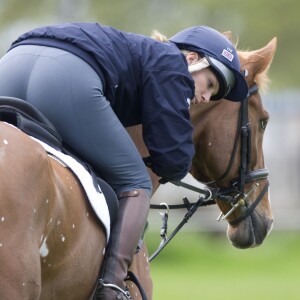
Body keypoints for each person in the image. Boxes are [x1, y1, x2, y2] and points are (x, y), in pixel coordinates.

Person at [0, 23, 248, 299]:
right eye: (210, 84)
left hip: (11, 64)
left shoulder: (140, 54)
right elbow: (175, 157)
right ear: (192, 59)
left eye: (213, 94)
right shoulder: (173, 64)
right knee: (136, 181)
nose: (205, 97)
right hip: (64, 76)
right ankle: (112, 287)